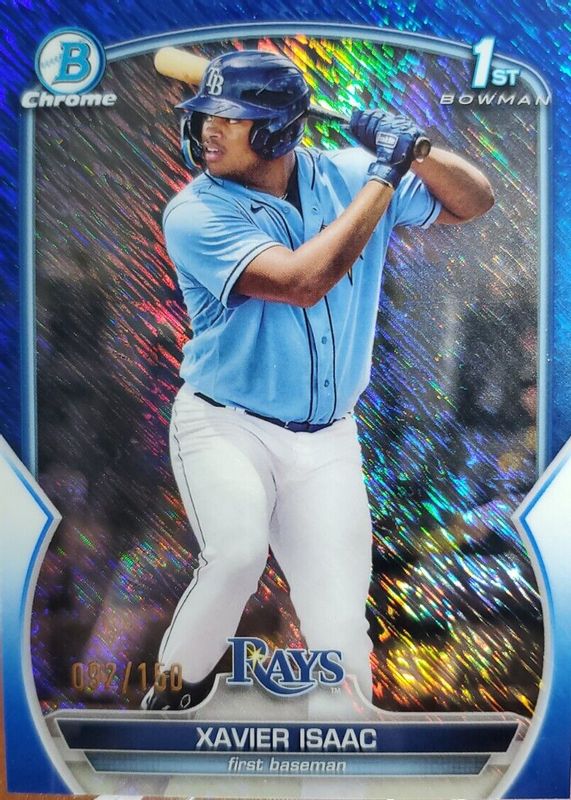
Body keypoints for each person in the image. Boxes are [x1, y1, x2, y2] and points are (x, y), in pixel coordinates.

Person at [142, 49, 494, 710]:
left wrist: (417, 150)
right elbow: (303, 281)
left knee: (339, 622)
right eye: (205, 115)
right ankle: (169, 700)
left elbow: (474, 200)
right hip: (226, 424)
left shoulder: (345, 173)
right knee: (236, 555)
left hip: (328, 438)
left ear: (277, 131)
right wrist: (385, 174)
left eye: (229, 117)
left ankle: (343, 755)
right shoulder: (195, 212)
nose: (208, 130)